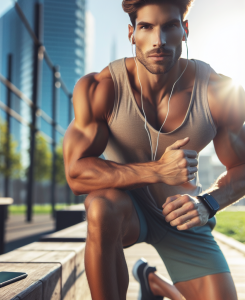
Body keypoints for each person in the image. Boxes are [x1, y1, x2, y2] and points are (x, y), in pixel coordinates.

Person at [63, 0, 245, 299]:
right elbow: (77, 175)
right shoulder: (102, 89)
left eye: (170, 26)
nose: (158, 41)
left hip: (181, 214)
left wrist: (208, 203)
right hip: (125, 212)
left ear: (184, 30)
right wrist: (158, 170)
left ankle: (153, 284)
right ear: (132, 33)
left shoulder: (218, 92)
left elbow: (242, 165)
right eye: (146, 27)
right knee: (100, 206)